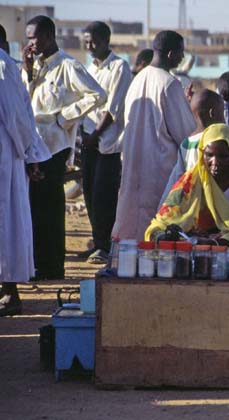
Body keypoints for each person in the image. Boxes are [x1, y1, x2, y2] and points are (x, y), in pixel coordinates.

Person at [22, 15, 107, 279]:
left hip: (54, 145)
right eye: (27, 39)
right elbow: (26, 101)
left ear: (48, 36)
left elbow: (98, 95)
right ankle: (38, 263)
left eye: (34, 38)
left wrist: (65, 118)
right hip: (33, 144)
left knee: (50, 207)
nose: (30, 44)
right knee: (34, 207)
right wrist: (28, 71)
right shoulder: (33, 66)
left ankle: (52, 266)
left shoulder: (68, 66)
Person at [112, 30, 196, 241]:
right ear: (170, 55)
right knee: (157, 226)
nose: (182, 58)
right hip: (160, 167)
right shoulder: (170, 83)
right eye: (180, 53)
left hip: (134, 163)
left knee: (132, 224)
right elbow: (186, 133)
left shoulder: (138, 79)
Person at [145, 124, 229, 247]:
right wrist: (164, 235)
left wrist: (214, 243)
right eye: (209, 155)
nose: (215, 162)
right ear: (201, 154)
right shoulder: (191, 182)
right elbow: (164, 219)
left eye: (223, 156)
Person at [0, 36, 51, 316]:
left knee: (6, 225)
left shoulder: (3, 67)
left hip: (6, 157)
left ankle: (10, 293)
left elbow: (17, 118)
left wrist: (30, 153)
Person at [80, 21, 133, 264]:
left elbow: (113, 109)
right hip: (89, 140)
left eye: (94, 41)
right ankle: (97, 242)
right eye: (86, 41)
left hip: (108, 142)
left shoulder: (119, 67)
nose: (89, 46)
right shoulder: (90, 68)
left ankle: (106, 245)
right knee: (90, 194)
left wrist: (96, 135)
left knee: (104, 195)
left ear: (105, 41)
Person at [159, 89, 225, 204]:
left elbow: (176, 178)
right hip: (218, 200)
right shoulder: (219, 140)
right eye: (222, 112)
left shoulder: (186, 144)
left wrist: (164, 208)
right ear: (212, 113)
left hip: (193, 202)